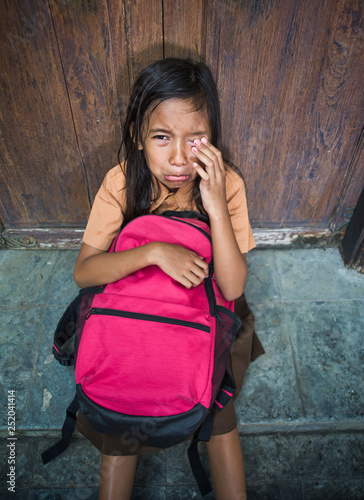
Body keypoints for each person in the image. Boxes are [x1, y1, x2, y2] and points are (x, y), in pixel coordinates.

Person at [73, 57, 264, 500]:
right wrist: (154, 252)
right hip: (134, 319)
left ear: (211, 139)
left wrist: (214, 202)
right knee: (120, 414)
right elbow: (85, 272)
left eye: (195, 139)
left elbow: (233, 288)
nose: (179, 158)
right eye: (162, 137)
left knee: (219, 411)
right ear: (139, 136)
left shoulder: (225, 183)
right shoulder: (122, 182)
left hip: (204, 319)